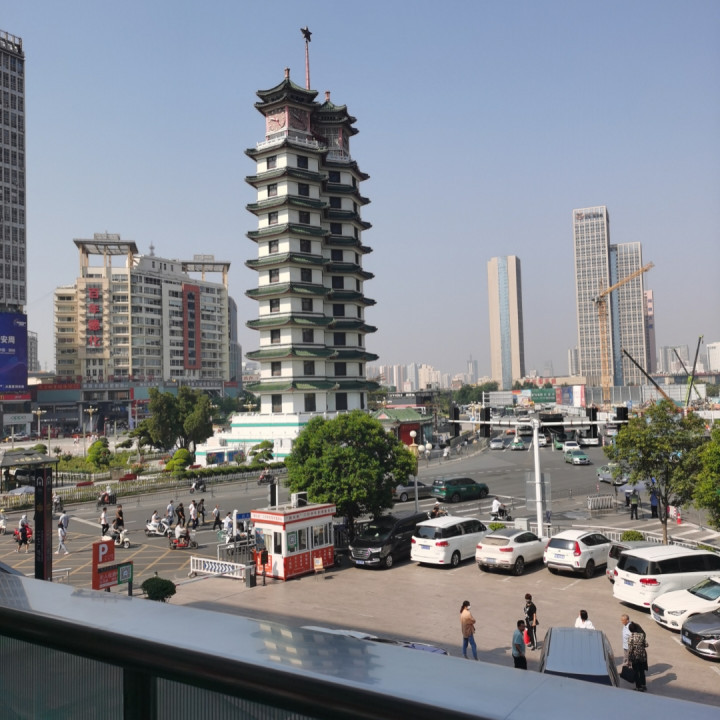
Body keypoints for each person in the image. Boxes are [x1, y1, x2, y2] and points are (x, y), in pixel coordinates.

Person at [627, 621, 648, 691]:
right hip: (642, 655)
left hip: (635, 656)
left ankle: (638, 686)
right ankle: (643, 685)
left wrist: (629, 659)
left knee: (636, 671)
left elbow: (630, 649)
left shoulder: (631, 637)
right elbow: (646, 645)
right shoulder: (641, 635)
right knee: (642, 671)